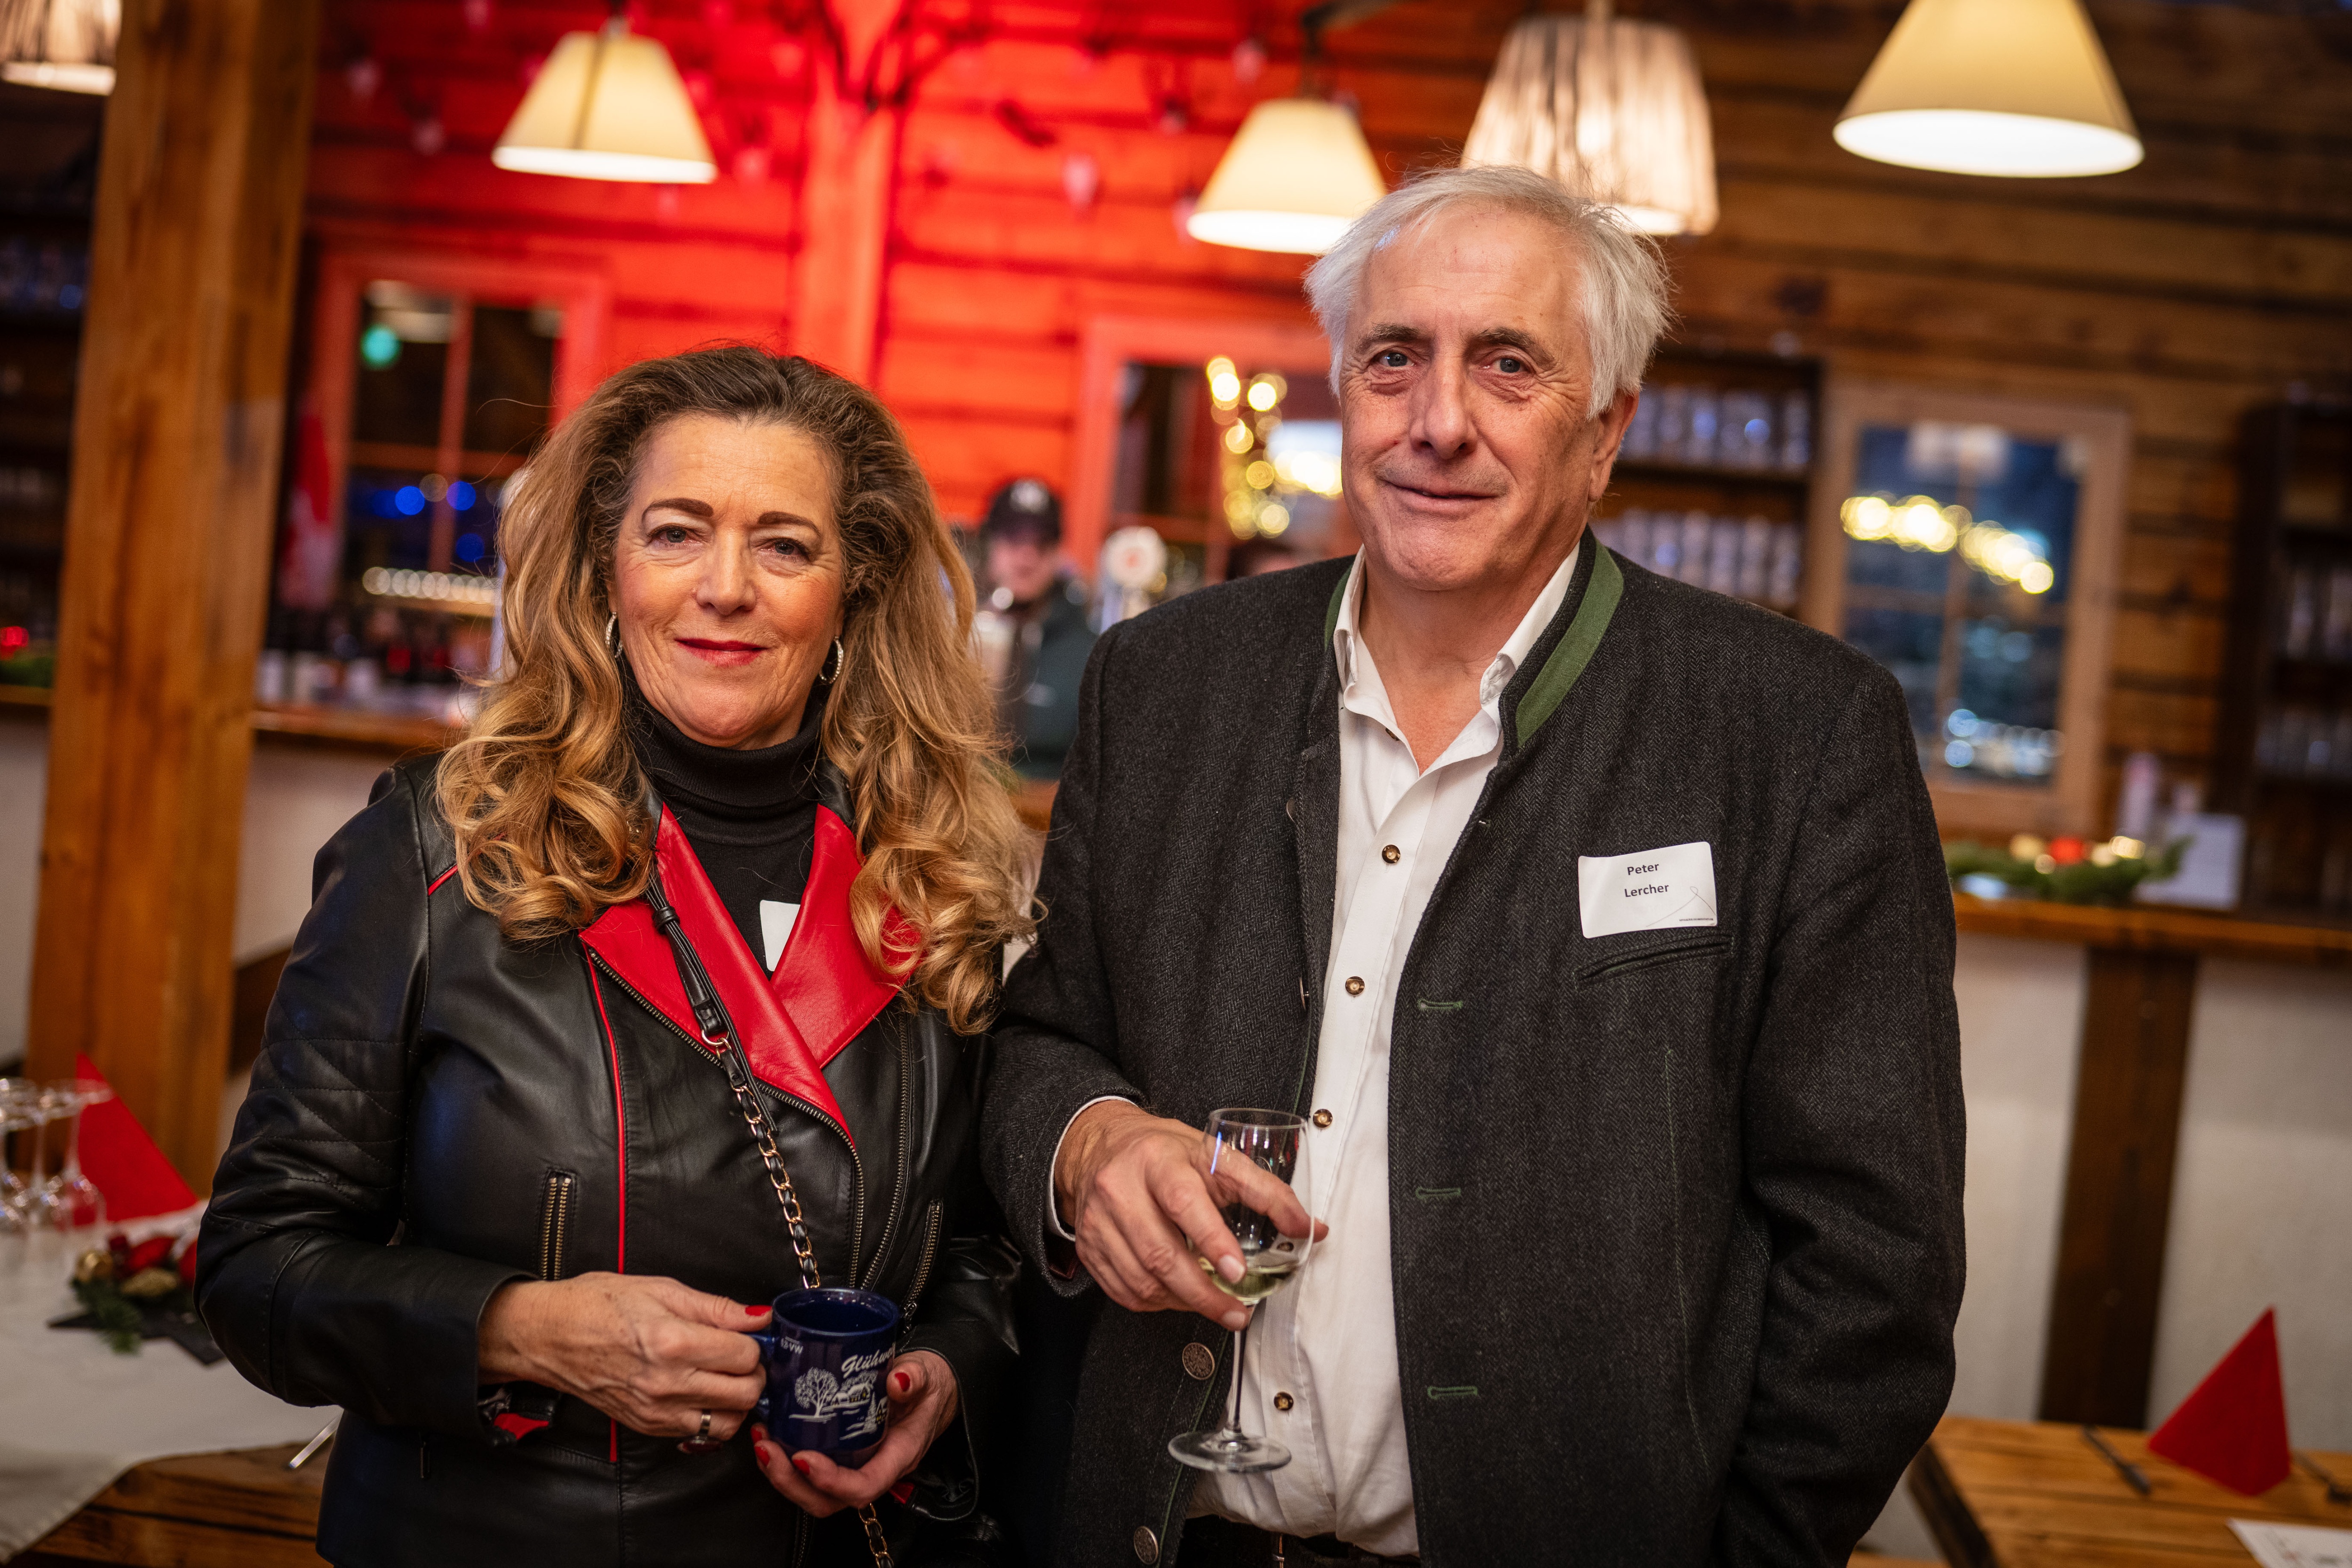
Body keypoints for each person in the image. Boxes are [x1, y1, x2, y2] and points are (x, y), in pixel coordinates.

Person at [981, 166, 1965, 1567]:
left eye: (1507, 365)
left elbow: (1874, 1261)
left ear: (1606, 430)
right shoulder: (1164, 683)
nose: (1437, 422)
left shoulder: (1792, 735)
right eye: (1394, 359)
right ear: (1343, 386)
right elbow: (1039, 1039)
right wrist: (1087, 1140)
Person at [199, 348, 1033, 1567]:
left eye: (785, 546)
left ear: (853, 587)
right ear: (605, 564)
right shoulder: (439, 849)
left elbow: (982, 1247)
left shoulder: (931, 875)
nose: (726, 588)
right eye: (677, 532)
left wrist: (946, 1372)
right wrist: (524, 1329)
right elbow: (255, 1264)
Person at [975, 478, 1095, 781]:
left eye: (1042, 545)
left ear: (1058, 553)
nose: (1027, 559)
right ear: (988, 544)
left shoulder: (1086, 649)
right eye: (1013, 540)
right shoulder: (953, 630)